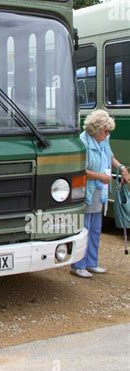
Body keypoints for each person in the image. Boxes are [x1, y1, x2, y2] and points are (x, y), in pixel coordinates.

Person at [70, 109, 129, 278]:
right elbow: (81, 169)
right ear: (96, 129)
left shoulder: (103, 140)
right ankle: (78, 265)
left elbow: (110, 157)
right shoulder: (83, 142)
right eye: (106, 130)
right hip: (86, 190)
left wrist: (122, 168)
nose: (108, 133)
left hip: (99, 191)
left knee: (96, 228)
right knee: (84, 228)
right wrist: (101, 176)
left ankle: (91, 263)